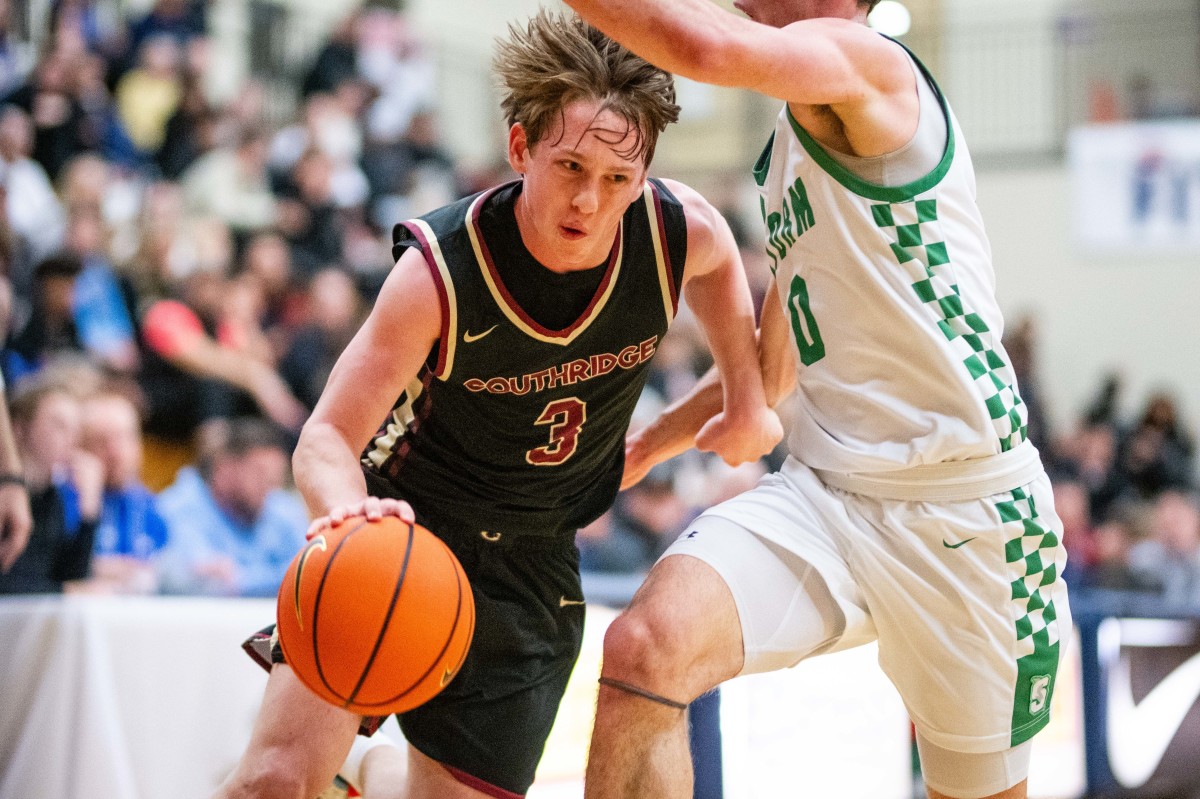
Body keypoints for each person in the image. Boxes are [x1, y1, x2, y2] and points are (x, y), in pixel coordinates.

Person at [214, 12, 780, 799]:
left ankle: (377, 772)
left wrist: (737, 401)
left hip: (533, 565)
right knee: (273, 782)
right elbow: (324, 441)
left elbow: (721, 268)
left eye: (620, 179)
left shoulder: (676, 231)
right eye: (571, 166)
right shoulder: (440, 272)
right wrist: (346, 518)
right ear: (521, 148)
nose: (591, 199)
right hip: (409, 526)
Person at [560, 2, 1073, 799]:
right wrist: (641, 448)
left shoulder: (869, 63)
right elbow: (773, 364)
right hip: (827, 497)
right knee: (644, 645)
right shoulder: (789, 147)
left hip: (965, 513)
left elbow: (701, 43)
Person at [155, 416, 307, 597]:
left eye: (276, 477)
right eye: (260, 473)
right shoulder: (178, 507)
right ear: (224, 467)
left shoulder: (281, 508)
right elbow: (205, 585)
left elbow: (305, 575)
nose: (269, 486)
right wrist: (274, 576)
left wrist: (241, 579)